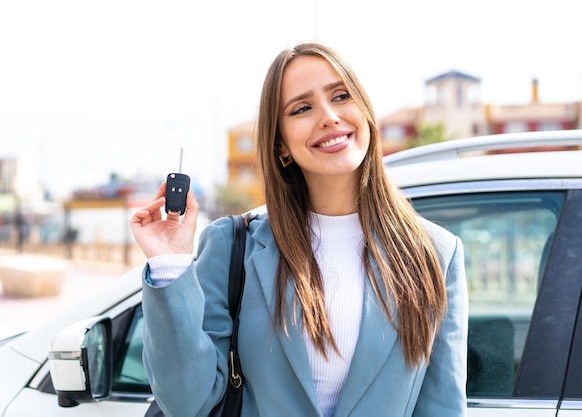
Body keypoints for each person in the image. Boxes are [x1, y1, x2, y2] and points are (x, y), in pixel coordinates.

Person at [131, 42, 468, 417]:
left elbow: (441, 407)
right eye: (302, 108)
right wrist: (169, 264)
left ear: (365, 112)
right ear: (281, 145)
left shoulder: (437, 253)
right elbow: (185, 401)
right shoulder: (233, 248)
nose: (328, 117)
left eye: (341, 96)